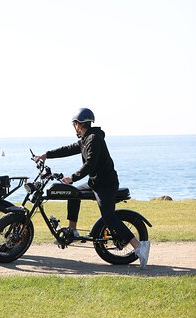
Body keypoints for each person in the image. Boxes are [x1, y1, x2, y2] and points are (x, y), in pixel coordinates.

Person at [33, 108, 150, 269]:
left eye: (75, 124)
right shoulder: (86, 138)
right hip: (95, 182)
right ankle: (72, 231)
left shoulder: (94, 139)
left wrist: (72, 177)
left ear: (79, 124)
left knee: (108, 217)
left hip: (106, 185)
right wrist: (45, 155)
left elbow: (90, 164)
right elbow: (68, 149)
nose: (74, 127)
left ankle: (139, 247)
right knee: (73, 194)